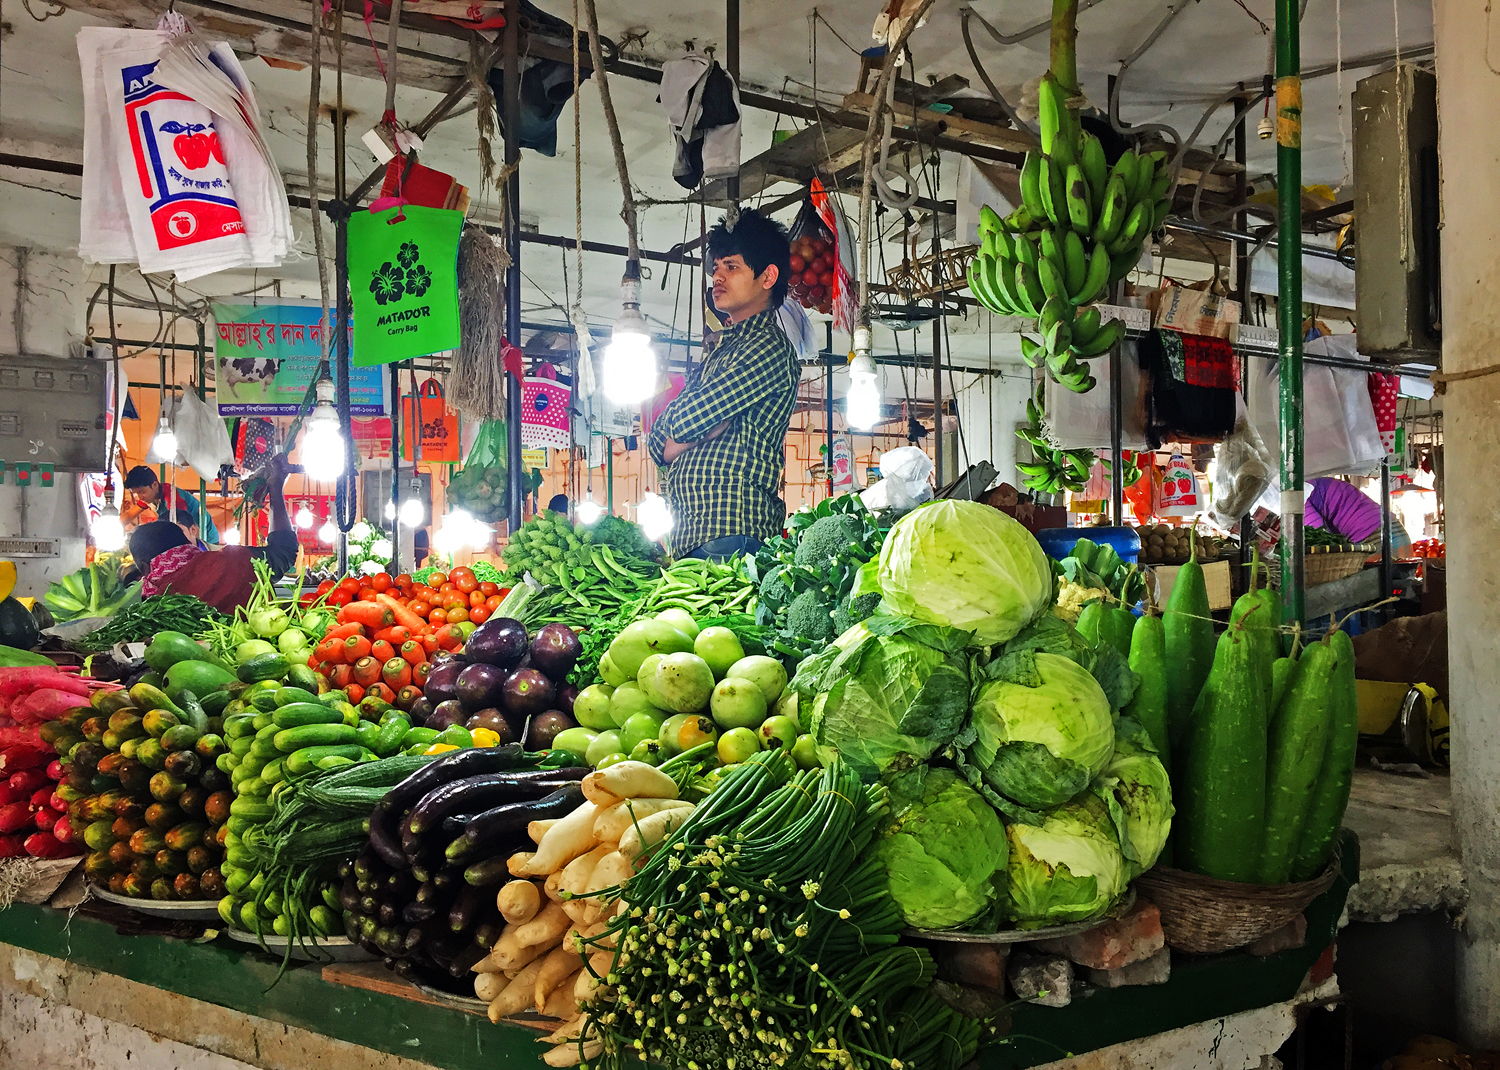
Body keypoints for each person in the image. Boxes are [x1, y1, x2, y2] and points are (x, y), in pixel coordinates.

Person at [647, 209, 800, 560]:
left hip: (731, 532)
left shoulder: (765, 347)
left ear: (767, 276)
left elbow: (684, 422)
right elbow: (657, 441)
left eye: (731, 267)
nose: (717, 277)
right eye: (716, 268)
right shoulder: (723, 349)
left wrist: (681, 436)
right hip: (699, 534)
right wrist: (689, 434)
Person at [128, 454, 300, 614]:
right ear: (187, 542)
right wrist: (276, 488)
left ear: (145, 568)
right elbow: (284, 551)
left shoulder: (157, 608)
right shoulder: (236, 560)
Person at [1305, 476, 1412, 556]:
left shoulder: (1302, 496)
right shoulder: (1313, 485)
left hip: (1376, 540)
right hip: (1393, 531)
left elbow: (1318, 542)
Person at [124, 465, 220, 544]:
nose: (140, 497)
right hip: (189, 537)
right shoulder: (151, 497)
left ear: (154, 485)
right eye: (136, 493)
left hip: (206, 540)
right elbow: (129, 515)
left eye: (142, 492)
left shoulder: (173, 498)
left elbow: (179, 526)